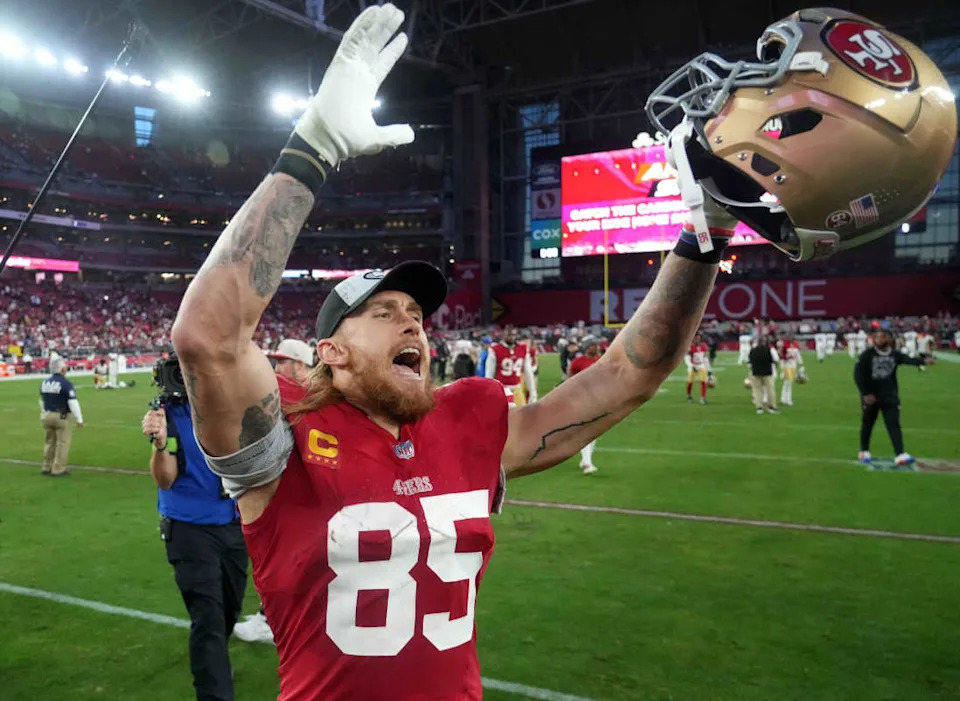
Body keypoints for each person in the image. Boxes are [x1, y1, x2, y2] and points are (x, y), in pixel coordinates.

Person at [170, 6, 731, 697]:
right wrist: (312, 147)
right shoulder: (282, 444)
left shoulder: (467, 425)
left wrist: (708, 231)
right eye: (385, 313)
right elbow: (207, 338)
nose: (414, 326)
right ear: (332, 352)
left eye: (417, 315)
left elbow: (627, 376)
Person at [141, 358, 248, 701]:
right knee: (208, 617)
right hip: (188, 529)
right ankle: (214, 692)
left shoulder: (227, 406)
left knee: (229, 608)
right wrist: (160, 443)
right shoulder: (168, 416)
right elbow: (165, 477)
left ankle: (212, 662)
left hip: (231, 523)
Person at [234, 338, 317, 645]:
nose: (277, 367)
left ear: (299, 364)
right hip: (295, 495)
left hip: (300, 498)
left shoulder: (306, 397)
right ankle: (272, 616)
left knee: (284, 564)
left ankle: (272, 622)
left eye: (282, 361)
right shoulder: (307, 395)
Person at [854, 328, 935, 466]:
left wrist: (923, 361)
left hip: (890, 395)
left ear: (890, 339)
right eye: (877, 336)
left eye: (882, 336)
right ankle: (864, 450)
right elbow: (858, 375)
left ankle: (900, 453)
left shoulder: (895, 354)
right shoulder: (867, 355)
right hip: (871, 396)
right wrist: (865, 393)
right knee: (868, 424)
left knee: (893, 424)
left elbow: (908, 360)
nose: (879, 339)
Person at [39, 357, 83, 476]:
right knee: (62, 443)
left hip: (46, 414)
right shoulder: (66, 383)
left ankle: (46, 466)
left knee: (49, 442)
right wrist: (79, 419)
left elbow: (42, 401)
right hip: (61, 416)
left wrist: (43, 413)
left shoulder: (45, 382)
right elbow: (73, 402)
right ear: (62, 369)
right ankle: (58, 469)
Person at [567, 336, 602, 473]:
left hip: (599, 399)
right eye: (594, 344)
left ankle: (585, 460)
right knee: (586, 431)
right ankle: (587, 463)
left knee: (595, 431)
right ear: (588, 347)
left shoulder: (601, 360)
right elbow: (569, 380)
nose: (597, 347)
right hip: (583, 399)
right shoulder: (578, 362)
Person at [485, 325, 537, 405]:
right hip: (501, 390)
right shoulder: (494, 350)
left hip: (517, 389)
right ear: (503, 335)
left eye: (513, 335)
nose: (511, 337)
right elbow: (489, 374)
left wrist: (532, 392)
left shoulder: (523, 349)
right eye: (509, 335)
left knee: (520, 415)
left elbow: (528, 372)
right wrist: (489, 392)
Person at [748, 337, 779, 414]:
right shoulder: (769, 350)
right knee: (770, 390)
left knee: (757, 391)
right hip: (767, 373)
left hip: (755, 372)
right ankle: (771, 407)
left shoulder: (753, 351)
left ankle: (759, 407)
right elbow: (774, 361)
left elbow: (750, 362)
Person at [685, 332, 711, 405]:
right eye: (696, 338)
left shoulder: (703, 346)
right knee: (690, 381)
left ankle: (703, 398)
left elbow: (705, 358)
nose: (697, 340)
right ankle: (689, 395)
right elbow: (687, 358)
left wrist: (709, 369)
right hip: (693, 365)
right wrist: (691, 366)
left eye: (698, 338)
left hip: (701, 365)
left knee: (703, 381)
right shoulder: (690, 347)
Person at [779, 336, 804, 406]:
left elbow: (798, 355)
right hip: (787, 366)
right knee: (788, 383)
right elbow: (782, 357)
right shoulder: (785, 346)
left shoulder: (795, 346)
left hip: (793, 366)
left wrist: (801, 364)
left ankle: (785, 399)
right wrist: (782, 369)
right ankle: (786, 399)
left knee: (789, 383)